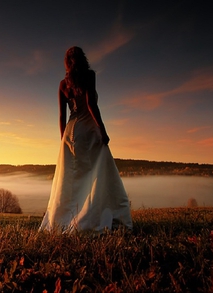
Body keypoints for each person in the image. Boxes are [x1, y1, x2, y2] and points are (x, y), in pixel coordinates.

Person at [39, 46, 132, 233]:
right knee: (98, 172)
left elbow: (61, 116)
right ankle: (94, 215)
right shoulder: (89, 75)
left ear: (66, 63)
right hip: (89, 130)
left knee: (72, 178)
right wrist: (102, 130)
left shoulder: (62, 84)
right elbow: (90, 104)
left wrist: (63, 140)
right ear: (83, 59)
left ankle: (64, 220)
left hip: (70, 133)